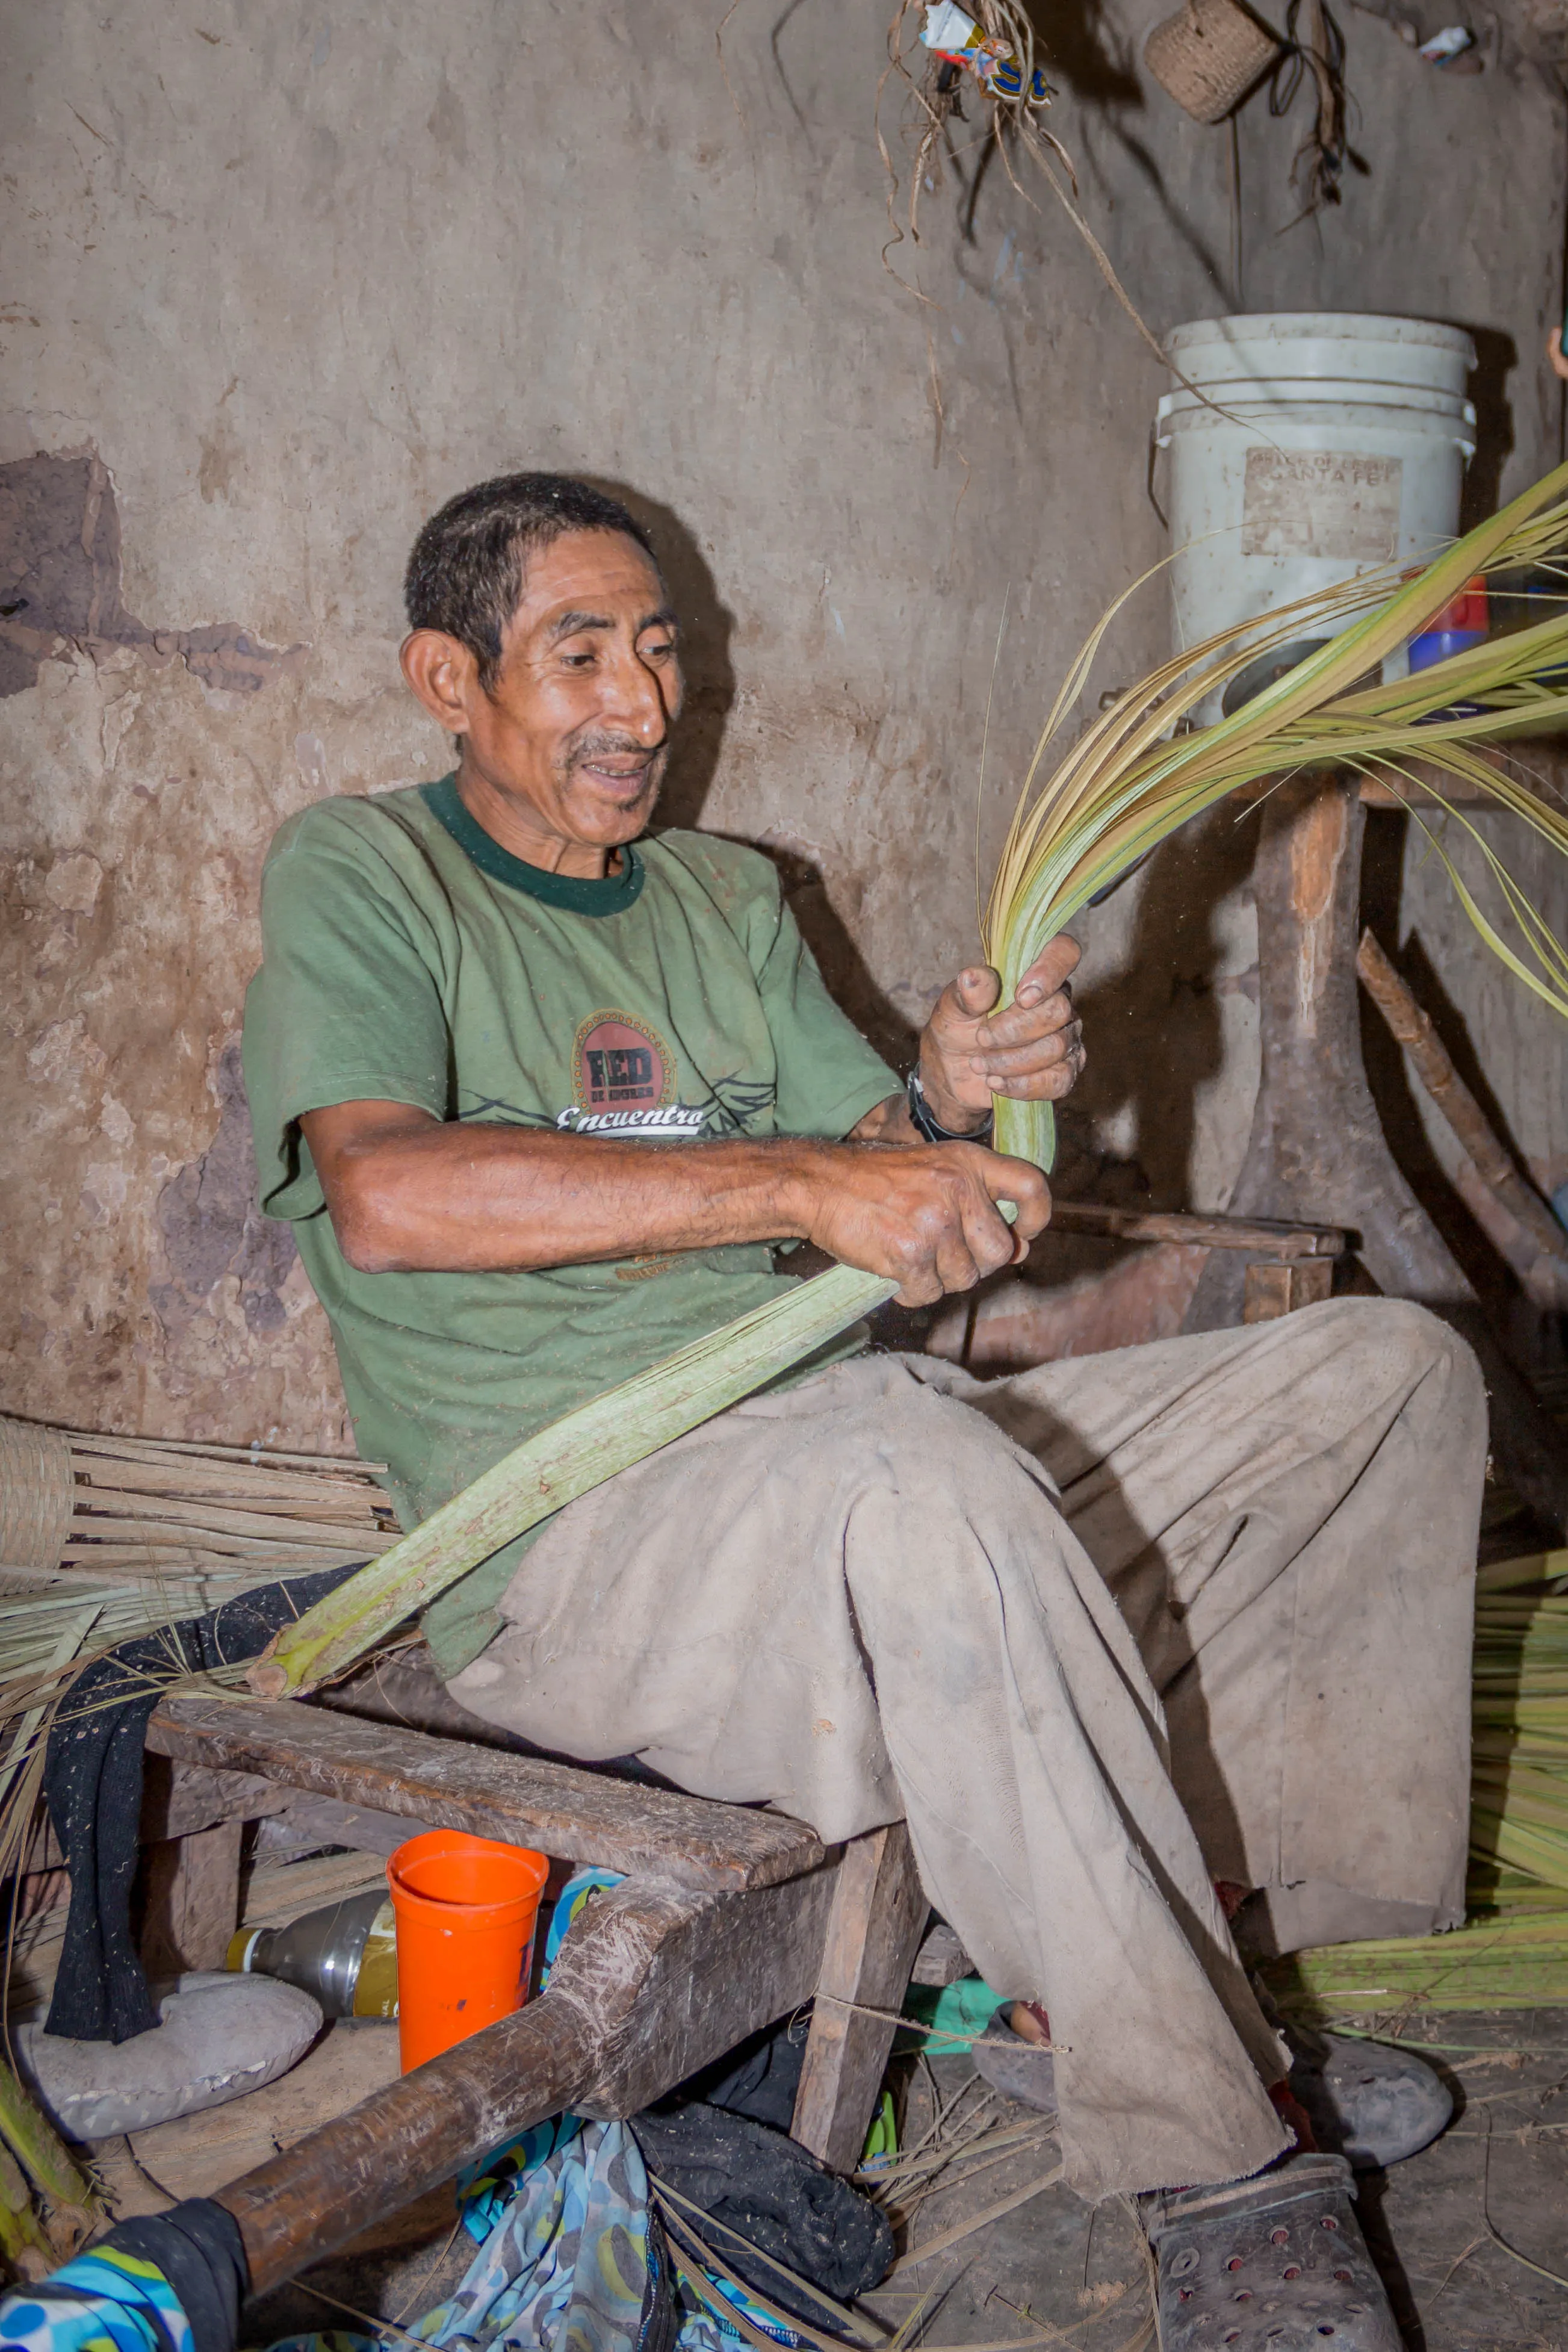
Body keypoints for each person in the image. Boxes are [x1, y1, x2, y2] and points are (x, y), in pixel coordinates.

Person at [242, 473, 1481, 2282]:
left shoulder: (732, 898)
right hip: (589, 1536)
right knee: (921, 1471)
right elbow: (388, 1194)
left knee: (1381, 1377)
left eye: (660, 654)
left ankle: (1221, 1978)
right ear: (450, 678)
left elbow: (871, 1151)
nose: (643, 708)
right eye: (578, 654)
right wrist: (805, 1181)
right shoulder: (368, 872)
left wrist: (947, 1102)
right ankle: (1221, 2173)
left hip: (847, 1456)